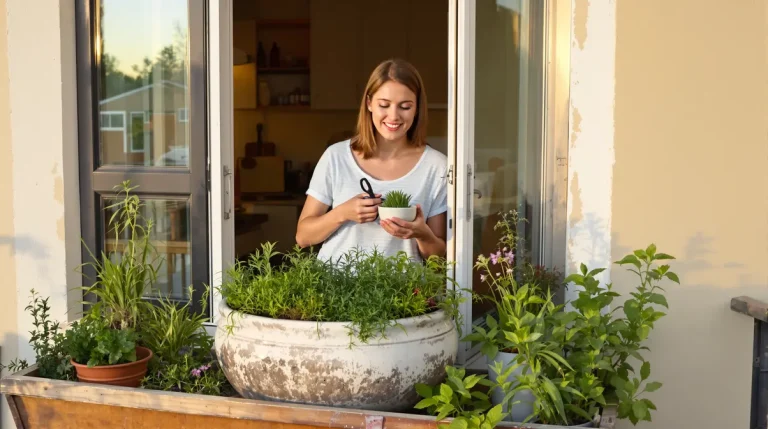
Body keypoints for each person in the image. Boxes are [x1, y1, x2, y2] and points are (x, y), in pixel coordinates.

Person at [295, 58, 448, 264]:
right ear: (369, 103)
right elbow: (303, 237)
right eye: (384, 105)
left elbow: (438, 257)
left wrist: (422, 234)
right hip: (336, 290)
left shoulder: (436, 166)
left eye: (405, 106)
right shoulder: (337, 157)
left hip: (404, 293)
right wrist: (341, 213)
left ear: (417, 107)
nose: (393, 116)